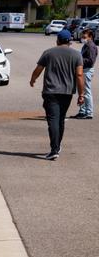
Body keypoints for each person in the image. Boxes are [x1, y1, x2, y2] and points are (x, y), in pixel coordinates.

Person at [30, 30, 85, 160]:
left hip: (51, 91)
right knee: (60, 119)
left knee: (53, 120)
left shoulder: (48, 53)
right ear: (70, 41)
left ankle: (54, 149)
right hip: (67, 92)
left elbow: (38, 69)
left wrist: (33, 79)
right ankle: (57, 146)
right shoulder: (77, 55)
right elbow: (79, 75)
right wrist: (81, 94)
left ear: (58, 40)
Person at [73, 28, 96, 119]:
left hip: (86, 70)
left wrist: (78, 60)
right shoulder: (86, 45)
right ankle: (82, 111)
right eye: (82, 35)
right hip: (83, 70)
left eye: (84, 36)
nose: (82, 37)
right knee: (81, 91)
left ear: (90, 36)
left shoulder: (91, 46)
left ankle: (89, 112)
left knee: (86, 91)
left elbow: (90, 61)